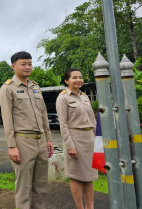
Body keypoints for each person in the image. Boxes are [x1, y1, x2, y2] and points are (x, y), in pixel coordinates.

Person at [0, 51, 54, 209]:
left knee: (41, 186)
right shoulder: (8, 88)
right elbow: (7, 119)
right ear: (13, 66)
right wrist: (12, 146)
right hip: (23, 142)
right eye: (23, 64)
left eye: (30, 64)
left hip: (41, 140)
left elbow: (43, 114)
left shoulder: (35, 86)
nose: (27, 67)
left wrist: (49, 139)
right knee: (24, 188)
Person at [56, 68, 97, 209]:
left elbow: (93, 120)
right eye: (74, 77)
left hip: (89, 139)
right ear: (67, 80)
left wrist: (96, 140)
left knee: (89, 176)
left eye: (80, 77)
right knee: (77, 176)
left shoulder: (84, 96)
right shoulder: (63, 98)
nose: (78, 80)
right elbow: (63, 124)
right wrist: (70, 146)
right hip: (75, 140)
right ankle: (80, 207)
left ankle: (90, 206)